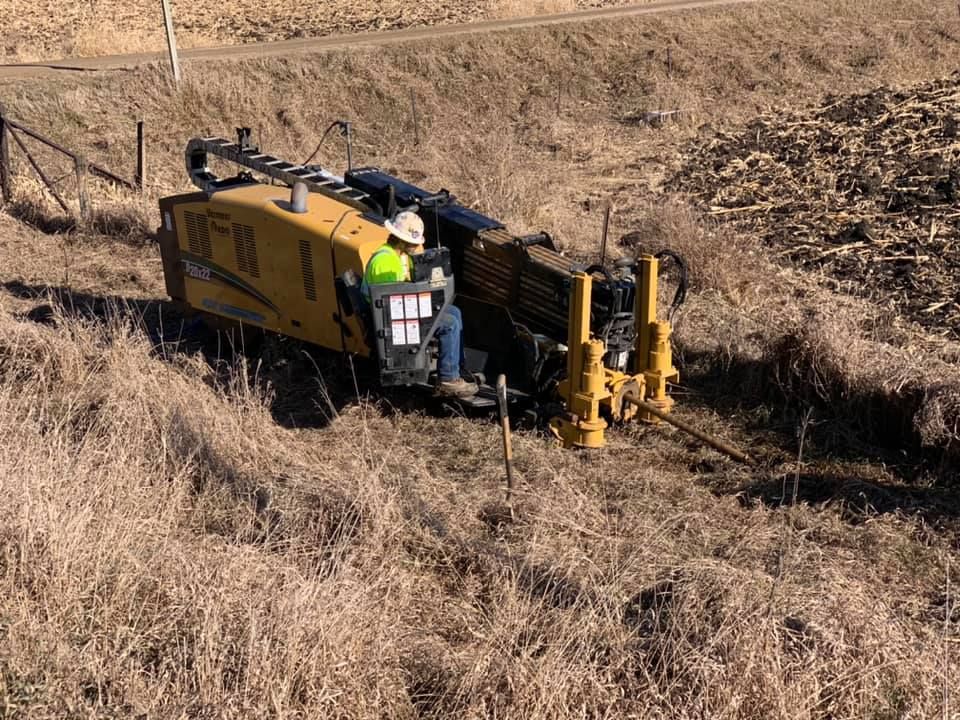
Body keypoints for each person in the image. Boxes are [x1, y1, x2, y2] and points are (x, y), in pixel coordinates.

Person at [362, 210, 478, 399]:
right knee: (450, 324)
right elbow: (391, 302)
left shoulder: (397, 255)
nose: (418, 246)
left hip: (400, 308)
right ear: (402, 240)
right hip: (394, 319)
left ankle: (455, 366)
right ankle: (448, 379)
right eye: (414, 242)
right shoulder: (385, 262)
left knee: (454, 312)